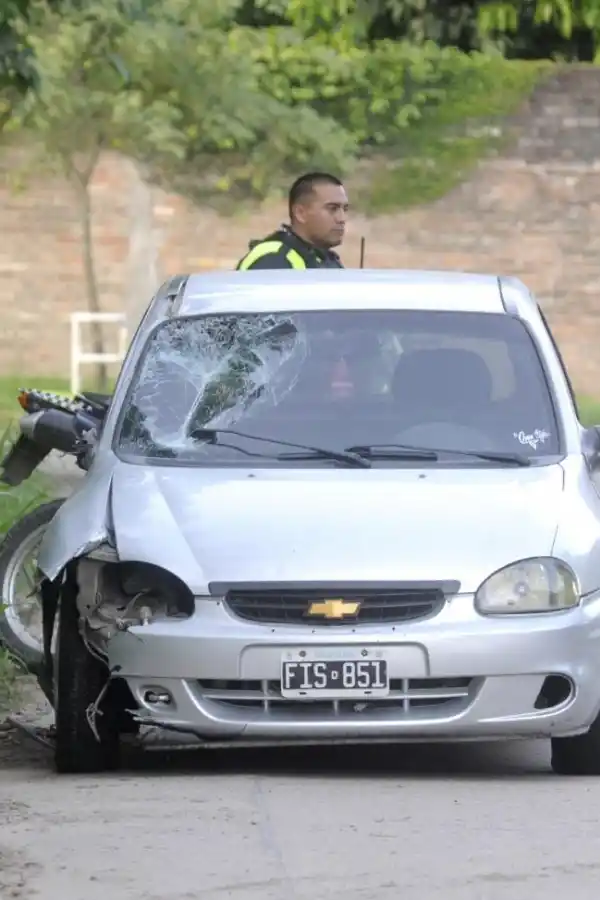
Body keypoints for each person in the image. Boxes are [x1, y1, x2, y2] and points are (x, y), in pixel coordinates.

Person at [236, 172, 348, 271]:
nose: (342, 219)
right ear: (300, 213)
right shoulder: (273, 259)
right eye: (332, 208)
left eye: (345, 209)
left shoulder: (325, 259)